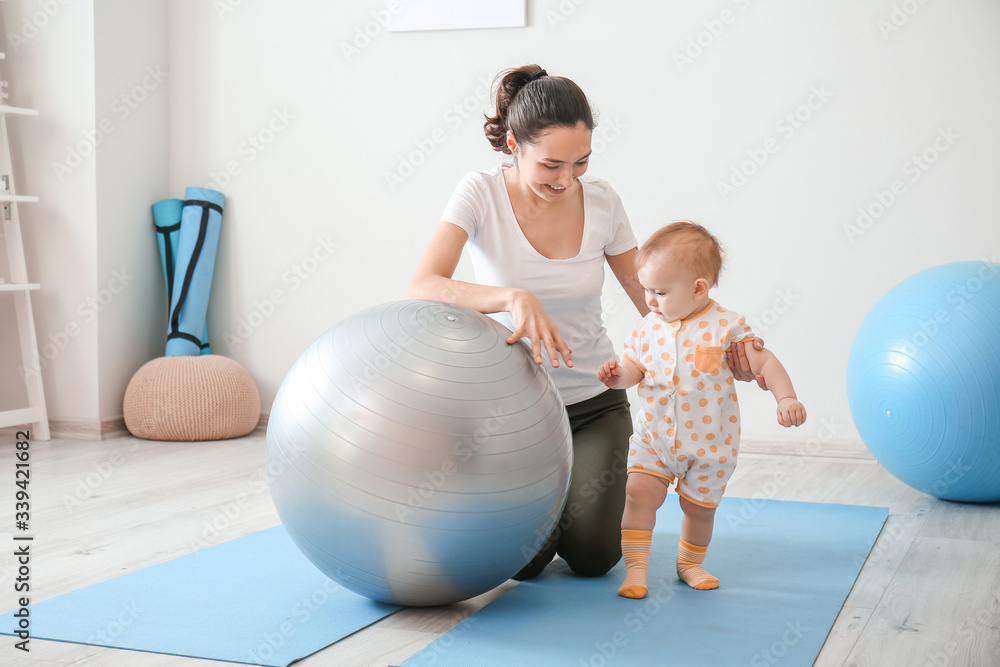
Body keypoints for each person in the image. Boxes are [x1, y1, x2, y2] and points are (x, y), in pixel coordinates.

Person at [409, 65, 765, 579]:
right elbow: (425, 284)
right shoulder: (480, 192)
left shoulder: (601, 201)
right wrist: (511, 296)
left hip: (593, 403)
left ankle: (568, 495)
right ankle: (545, 504)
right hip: (514, 411)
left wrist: (722, 341)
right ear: (514, 144)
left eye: (580, 163)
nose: (566, 178)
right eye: (551, 164)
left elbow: (656, 301)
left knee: (596, 557)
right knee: (523, 566)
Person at [596, 221, 806, 599]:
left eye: (659, 292)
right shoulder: (647, 329)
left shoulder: (726, 327)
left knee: (700, 510)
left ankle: (689, 563)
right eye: (646, 289)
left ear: (698, 288)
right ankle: (637, 569)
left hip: (710, 444)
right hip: (655, 438)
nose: (649, 300)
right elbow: (634, 369)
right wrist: (618, 377)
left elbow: (765, 363)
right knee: (639, 493)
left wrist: (785, 397)